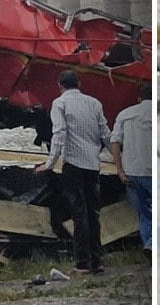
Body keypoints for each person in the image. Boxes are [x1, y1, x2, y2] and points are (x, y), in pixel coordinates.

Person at [35, 70, 111, 275]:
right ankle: (97, 261)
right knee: (94, 213)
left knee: (79, 214)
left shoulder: (60, 104)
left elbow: (59, 133)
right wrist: (121, 162)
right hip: (93, 165)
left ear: (60, 85)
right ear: (79, 83)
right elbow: (105, 134)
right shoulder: (94, 103)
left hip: (73, 165)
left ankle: (82, 264)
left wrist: (49, 163)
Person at [110, 84, 152, 258]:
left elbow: (115, 143)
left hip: (131, 173)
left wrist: (120, 171)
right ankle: (153, 245)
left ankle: (149, 244)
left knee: (143, 213)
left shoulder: (125, 114)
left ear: (139, 98)